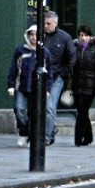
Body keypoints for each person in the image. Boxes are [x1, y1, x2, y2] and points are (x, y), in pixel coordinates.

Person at [5, 25, 53, 148]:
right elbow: (13, 68)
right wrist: (11, 85)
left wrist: (47, 89)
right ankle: (23, 131)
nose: (33, 37)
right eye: (31, 34)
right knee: (19, 109)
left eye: (36, 34)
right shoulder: (20, 50)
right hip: (22, 86)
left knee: (35, 113)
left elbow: (49, 72)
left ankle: (32, 136)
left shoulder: (44, 52)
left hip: (37, 88)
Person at [41, 11, 77, 145]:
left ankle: (48, 136)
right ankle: (49, 129)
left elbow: (72, 58)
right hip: (40, 77)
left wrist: (63, 74)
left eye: (48, 23)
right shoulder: (39, 35)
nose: (45, 26)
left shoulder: (64, 37)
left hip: (56, 77)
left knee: (49, 107)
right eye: (44, 23)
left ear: (55, 23)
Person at [71, 25, 95, 146]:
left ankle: (78, 139)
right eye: (81, 35)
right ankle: (88, 137)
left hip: (90, 84)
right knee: (81, 110)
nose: (83, 38)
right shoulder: (75, 47)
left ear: (90, 36)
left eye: (85, 35)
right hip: (77, 83)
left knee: (83, 111)